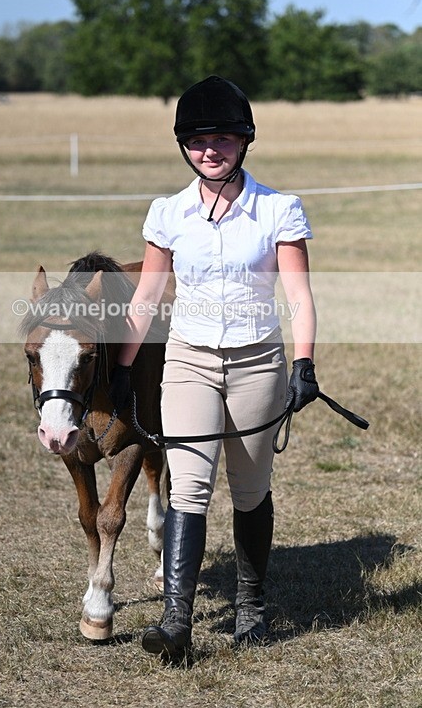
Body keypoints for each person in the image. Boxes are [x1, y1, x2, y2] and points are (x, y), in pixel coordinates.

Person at [109, 75, 318, 658]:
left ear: (244, 141)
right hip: (188, 362)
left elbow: (298, 296)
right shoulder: (168, 213)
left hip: (258, 364)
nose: (210, 151)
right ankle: (177, 624)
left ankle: (251, 606)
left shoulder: (278, 210)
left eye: (222, 139)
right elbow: (147, 296)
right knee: (189, 488)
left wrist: (303, 362)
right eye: (198, 141)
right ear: (184, 146)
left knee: (250, 490)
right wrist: (123, 367)